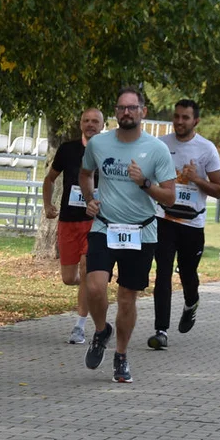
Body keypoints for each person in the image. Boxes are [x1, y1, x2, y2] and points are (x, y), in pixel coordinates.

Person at [79, 86, 176, 383]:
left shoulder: (157, 149)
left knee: (126, 299)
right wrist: (89, 199)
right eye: (121, 108)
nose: (126, 112)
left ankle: (120, 355)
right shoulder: (99, 143)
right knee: (95, 287)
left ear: (143, 112)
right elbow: (85, 173)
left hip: (141, 231)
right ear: (115, 112)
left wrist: (145, 183)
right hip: (105, 225)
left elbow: (170, 197)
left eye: (132, 108)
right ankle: (100, 331)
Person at [148, 99, 220, 350]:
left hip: (192, 223)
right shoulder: (161, 145)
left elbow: (219, 190)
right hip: (165, 219)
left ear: (196, 121)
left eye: (186, 118)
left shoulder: (207, 149)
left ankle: (191, 303)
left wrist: (196, 179)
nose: (180, 121)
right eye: (177, 116)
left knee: (188, 273)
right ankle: (161, 330)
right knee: (163, 273)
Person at [41, 107, 104, 344]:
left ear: (102, 125)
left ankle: (79, 326)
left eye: (95, 121)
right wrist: (48, 205)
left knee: (87, 267)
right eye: (86, 120)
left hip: (95, 222)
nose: (90, 124)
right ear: (80, 124)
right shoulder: (68, 149)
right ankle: (91, 284)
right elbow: (50, 179)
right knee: (69, 278)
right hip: (68, 221)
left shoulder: (108, 151)